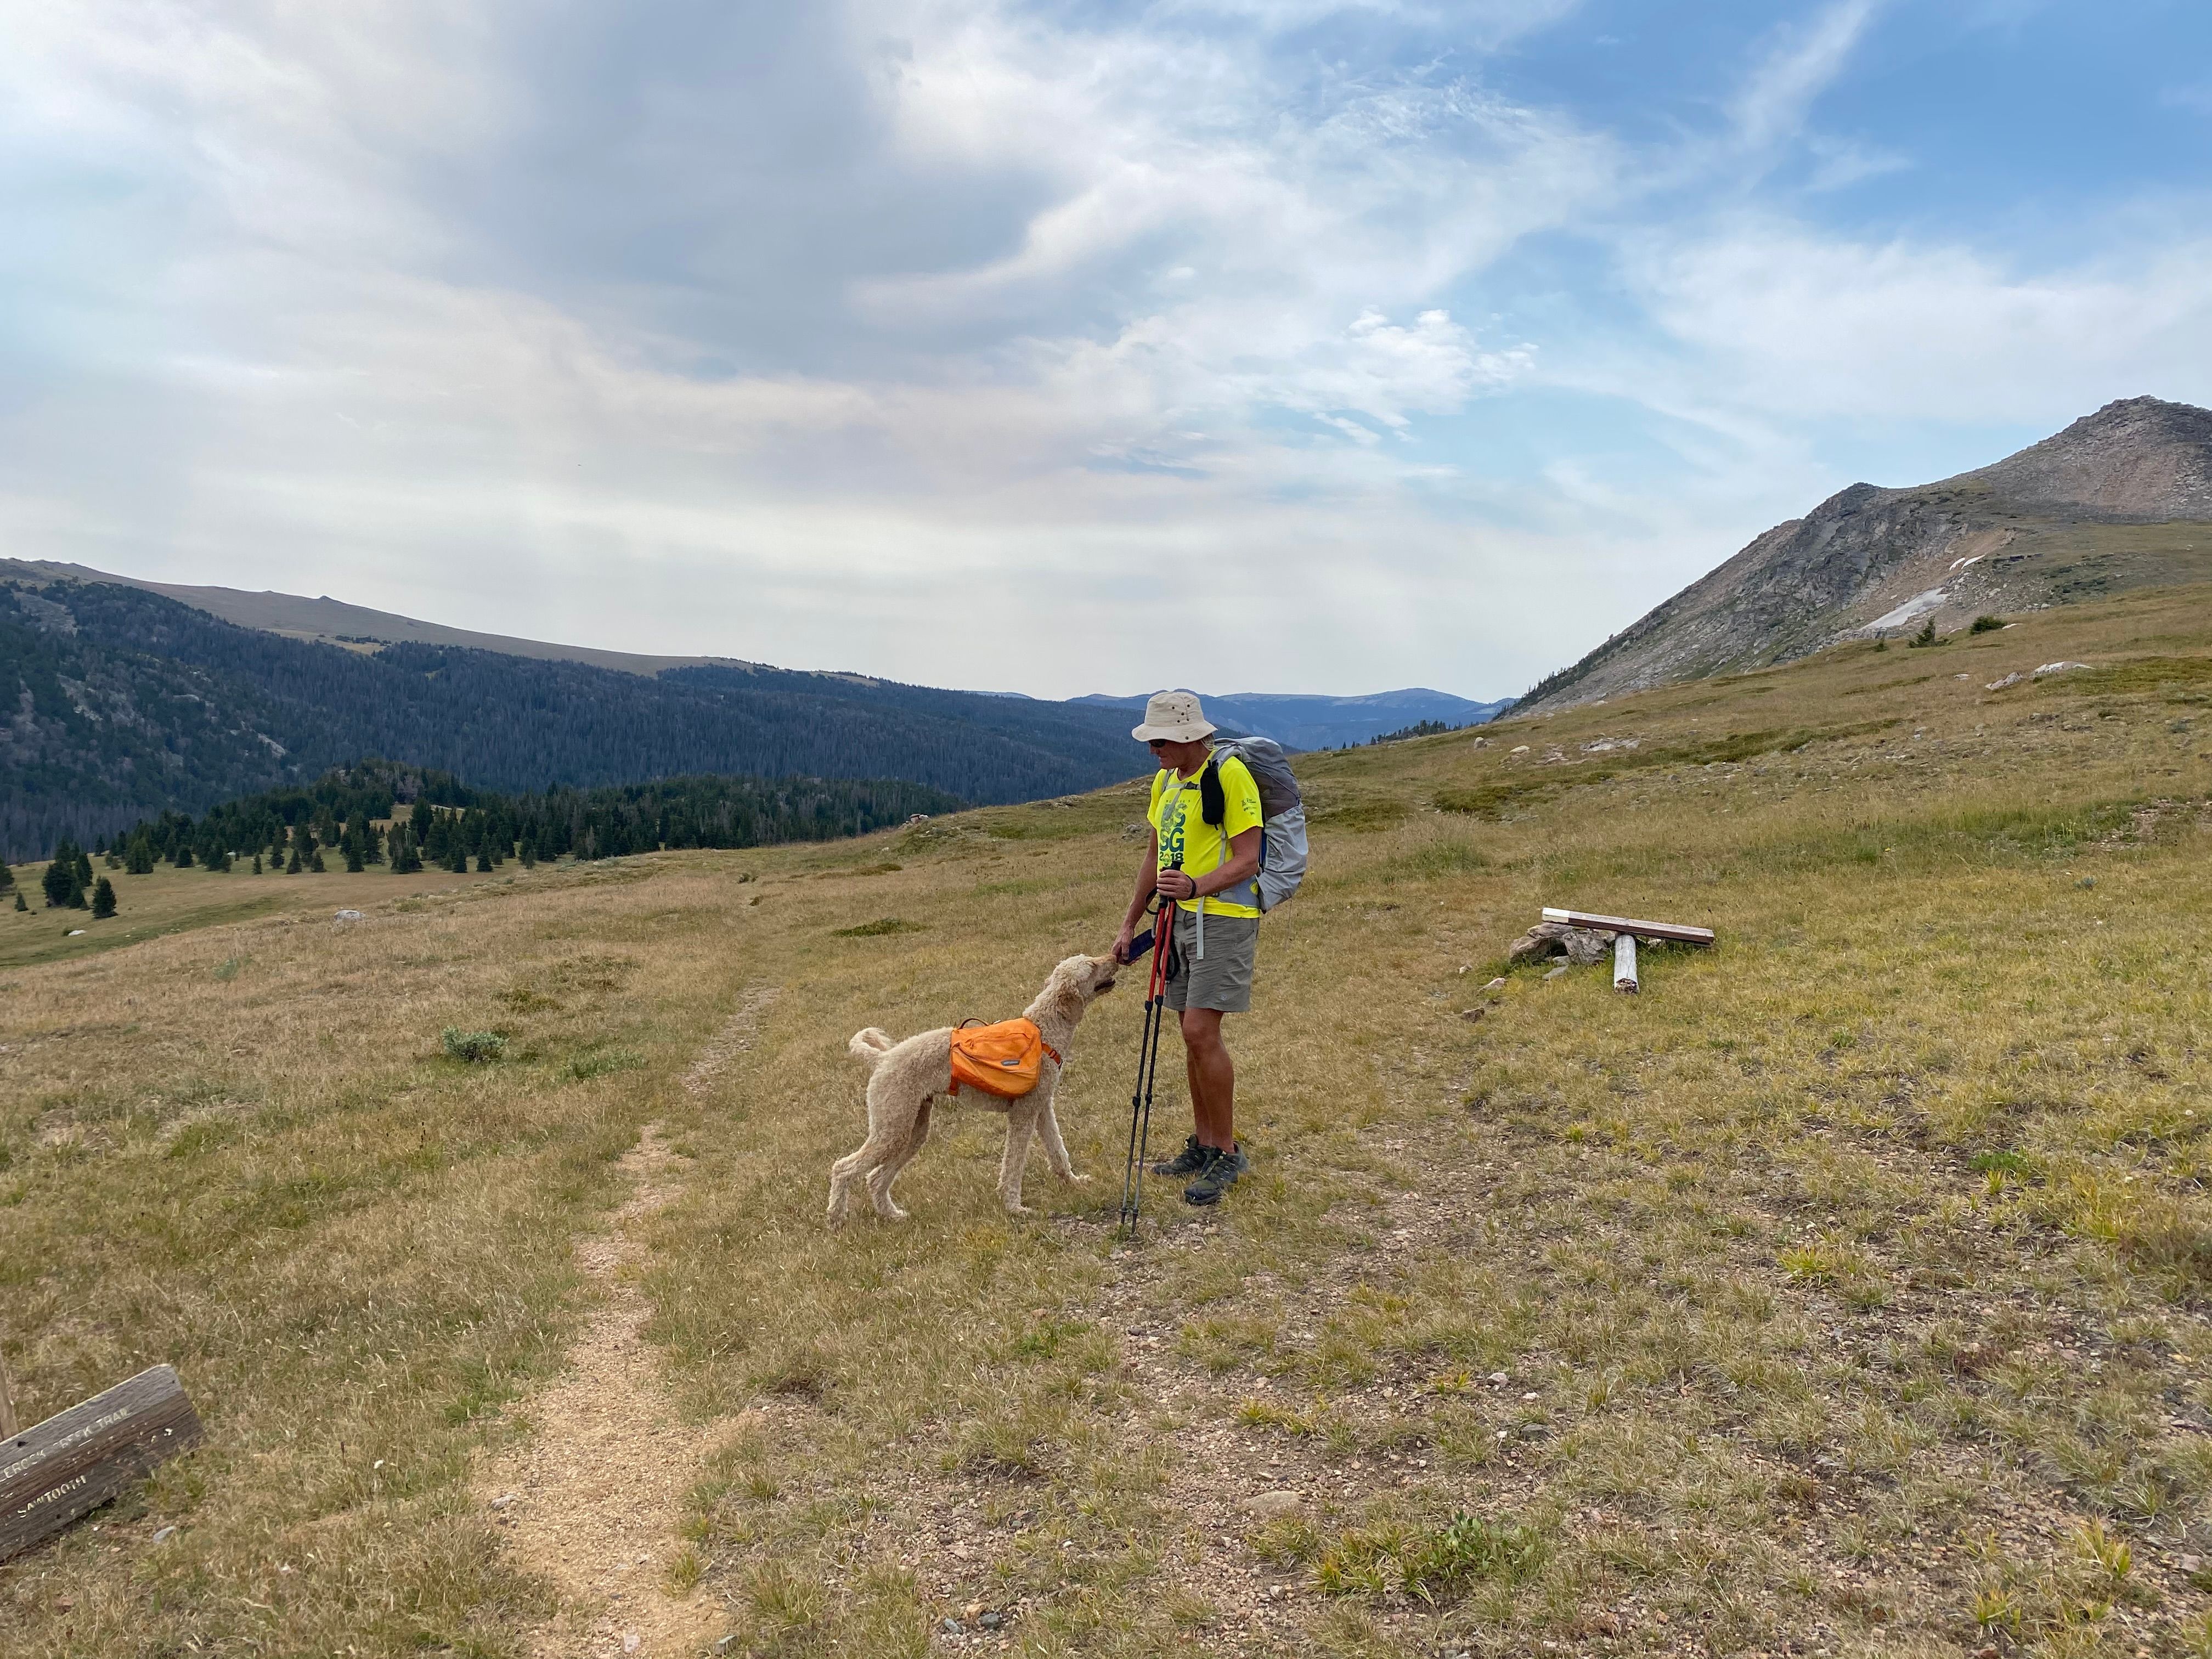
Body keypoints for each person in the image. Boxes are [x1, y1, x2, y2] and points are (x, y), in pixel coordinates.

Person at [1114, 690, 1263, 1206]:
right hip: (1178, 920)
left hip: (1223, 919)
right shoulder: (1166, 782)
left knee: (1201, 1029)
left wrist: (1197, 886)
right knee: (1189, 1033)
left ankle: (1226, 1150)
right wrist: (1130, 922)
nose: (1153, 749)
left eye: (1160, 740)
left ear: (1186, 735)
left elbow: (1250, 859)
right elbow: (1155, 857)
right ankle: (1203, 1145)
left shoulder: (1229, 776)